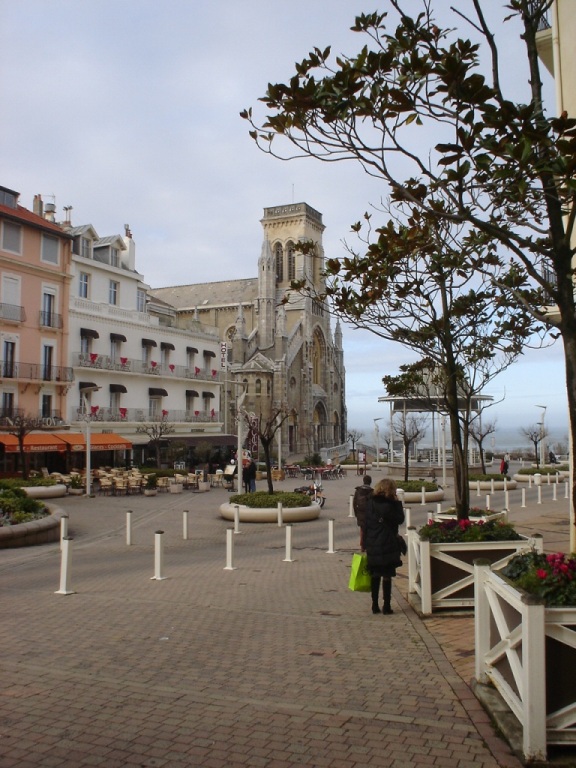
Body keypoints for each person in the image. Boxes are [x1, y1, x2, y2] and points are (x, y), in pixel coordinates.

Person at [363, 478, 405, 615]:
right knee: (387, 575)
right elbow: (400, 519)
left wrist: (364, 543)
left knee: (375, 575)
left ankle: (374, 605)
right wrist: (398, 502)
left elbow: (365, 524)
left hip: (373, 543)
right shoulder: (391, 504)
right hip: (388, 543)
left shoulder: (370, 503)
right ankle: (387, 606)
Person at [352, 475, 373, 550]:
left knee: (362, 529)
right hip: (369, 513)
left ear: (363, 481)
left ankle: (362, 545)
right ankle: (367, 545)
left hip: (360, 512)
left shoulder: (358, 490)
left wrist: (356, 513)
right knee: (369, 529)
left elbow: (354, 502)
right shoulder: (372, 492)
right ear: (370, 482)